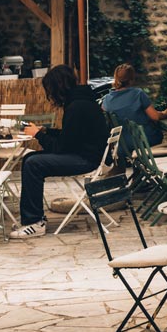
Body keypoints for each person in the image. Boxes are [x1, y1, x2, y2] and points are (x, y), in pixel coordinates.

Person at [11, 64, 110, 240]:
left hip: (86, 159)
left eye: (49, 89)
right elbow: (71, 137)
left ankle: (34, 222)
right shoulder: (81, 101)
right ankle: (33, 216)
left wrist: (38, 135)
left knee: (33, 163)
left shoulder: (76, 107)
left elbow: (62, 148)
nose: (49, 95)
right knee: (30, 159)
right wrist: (46, 131)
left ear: (57, 87)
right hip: (87, 154)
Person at [100, 63, 167, 160]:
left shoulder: (107, 99)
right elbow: (155, 116)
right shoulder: (138, 94)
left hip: (121, 144)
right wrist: (166, 113)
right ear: (132, 79)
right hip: (144, 140)